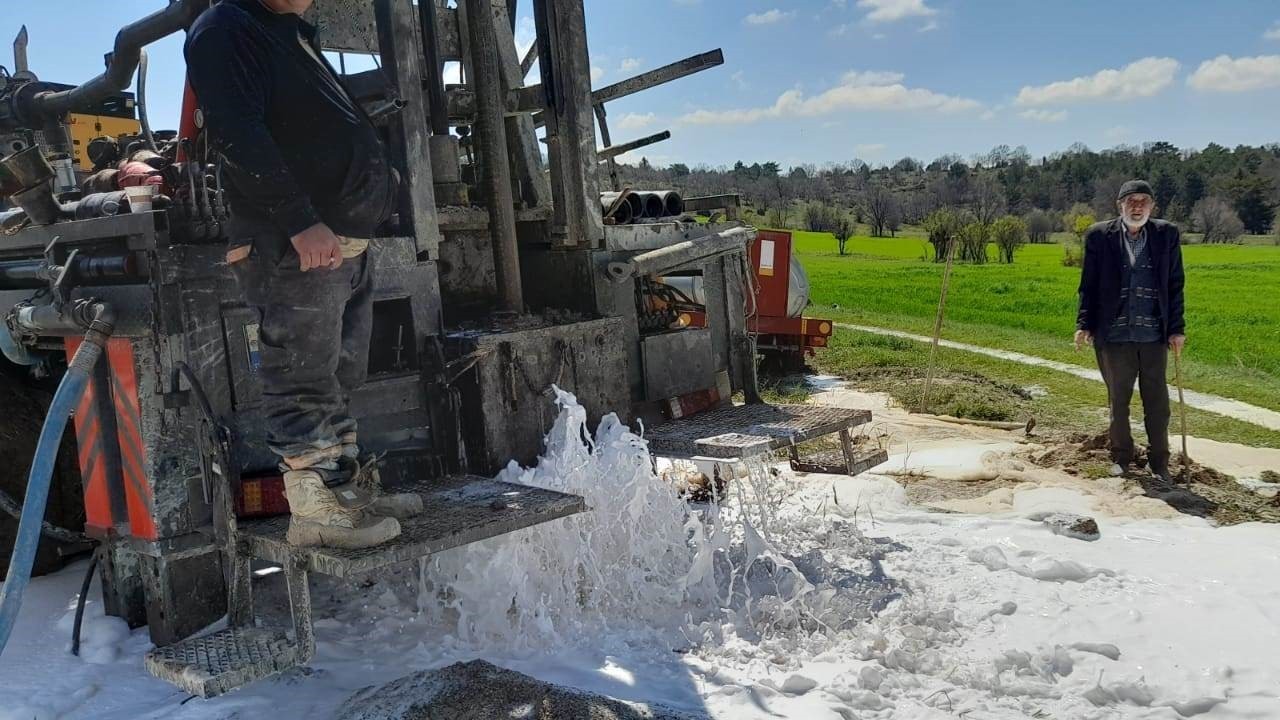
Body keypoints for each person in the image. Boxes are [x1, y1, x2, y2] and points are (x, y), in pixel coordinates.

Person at [185, 0, 422, 548]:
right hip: (291, 242)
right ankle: (315, 513)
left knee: (339, 373)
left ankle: (346, 493)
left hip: (340, 239)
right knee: (301, 374)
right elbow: (238, 133)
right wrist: (300, 221)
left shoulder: (288, 34)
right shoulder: (226, 29)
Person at [1074, 180, 1186, 481]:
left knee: (1158, 404)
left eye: (1144, 201)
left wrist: (1176, 329)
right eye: (1131, 201)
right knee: (1118, 402)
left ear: (1152, 206)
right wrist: (1084, 324)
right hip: (1113, 335)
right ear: (1119, 205)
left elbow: (1175, 284)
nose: (1137, 207)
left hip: (1153, 335)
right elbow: (1089, 284)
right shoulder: (1099, 236)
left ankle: (1159, 461)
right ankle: (1121, 457)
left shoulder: (1166, 235)